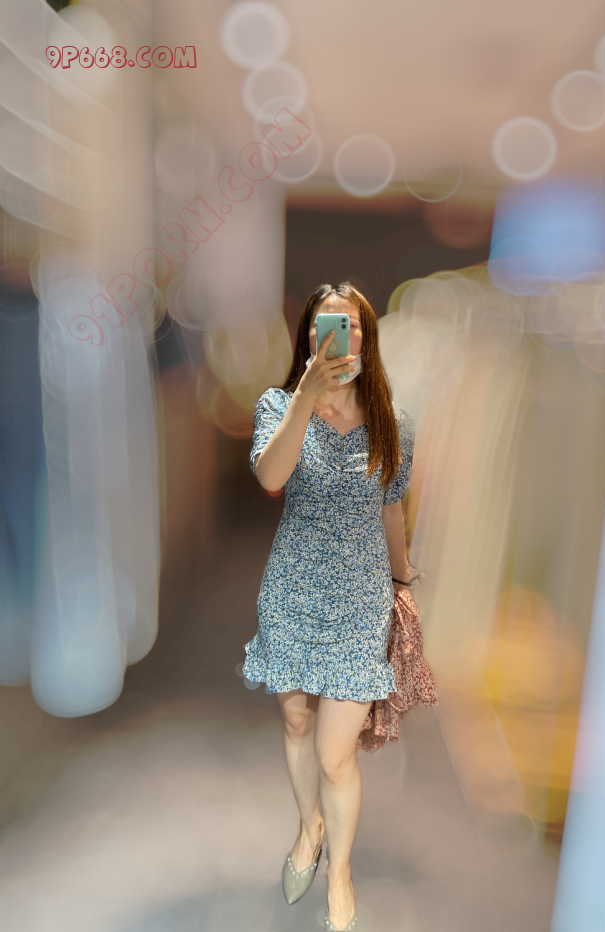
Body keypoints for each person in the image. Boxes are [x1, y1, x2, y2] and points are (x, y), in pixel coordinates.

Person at [242, 282, 415, 932]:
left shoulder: (394, 422)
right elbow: (271, 477)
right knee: (296, 723)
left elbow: (391, 509)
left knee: (336, 752)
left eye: (351, 327)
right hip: (293, 588)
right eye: (325, 326)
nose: (338, 338)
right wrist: (306, 397)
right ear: (309, 336)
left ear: (367, 338)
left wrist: (403, 582)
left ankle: (339, 872)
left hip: (360, 598)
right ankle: (309, 825)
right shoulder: (277, 405)